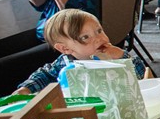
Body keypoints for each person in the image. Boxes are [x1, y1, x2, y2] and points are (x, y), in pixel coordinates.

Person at [15, 9, 146, 94]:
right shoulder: (65, 63)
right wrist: (26, 88)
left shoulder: (112, 57)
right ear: (65, 48)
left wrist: (121, 56)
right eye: (85, 37)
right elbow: (44, 75)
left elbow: (142, 75)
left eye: (99, 31)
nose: (98, 39)